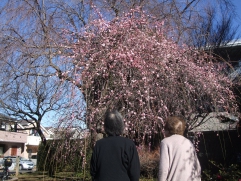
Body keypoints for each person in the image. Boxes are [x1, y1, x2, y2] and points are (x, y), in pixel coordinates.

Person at [90, 110, 140, 181]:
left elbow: (93, 171)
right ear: (121, 125)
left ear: (106, 126)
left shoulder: (99, 145)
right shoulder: (129, 145)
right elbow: (135, 173)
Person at [158, 116, 201, 181]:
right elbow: (197, 166)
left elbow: (163, 169)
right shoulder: (188, 142)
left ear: (169, 129)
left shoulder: (165, 142)